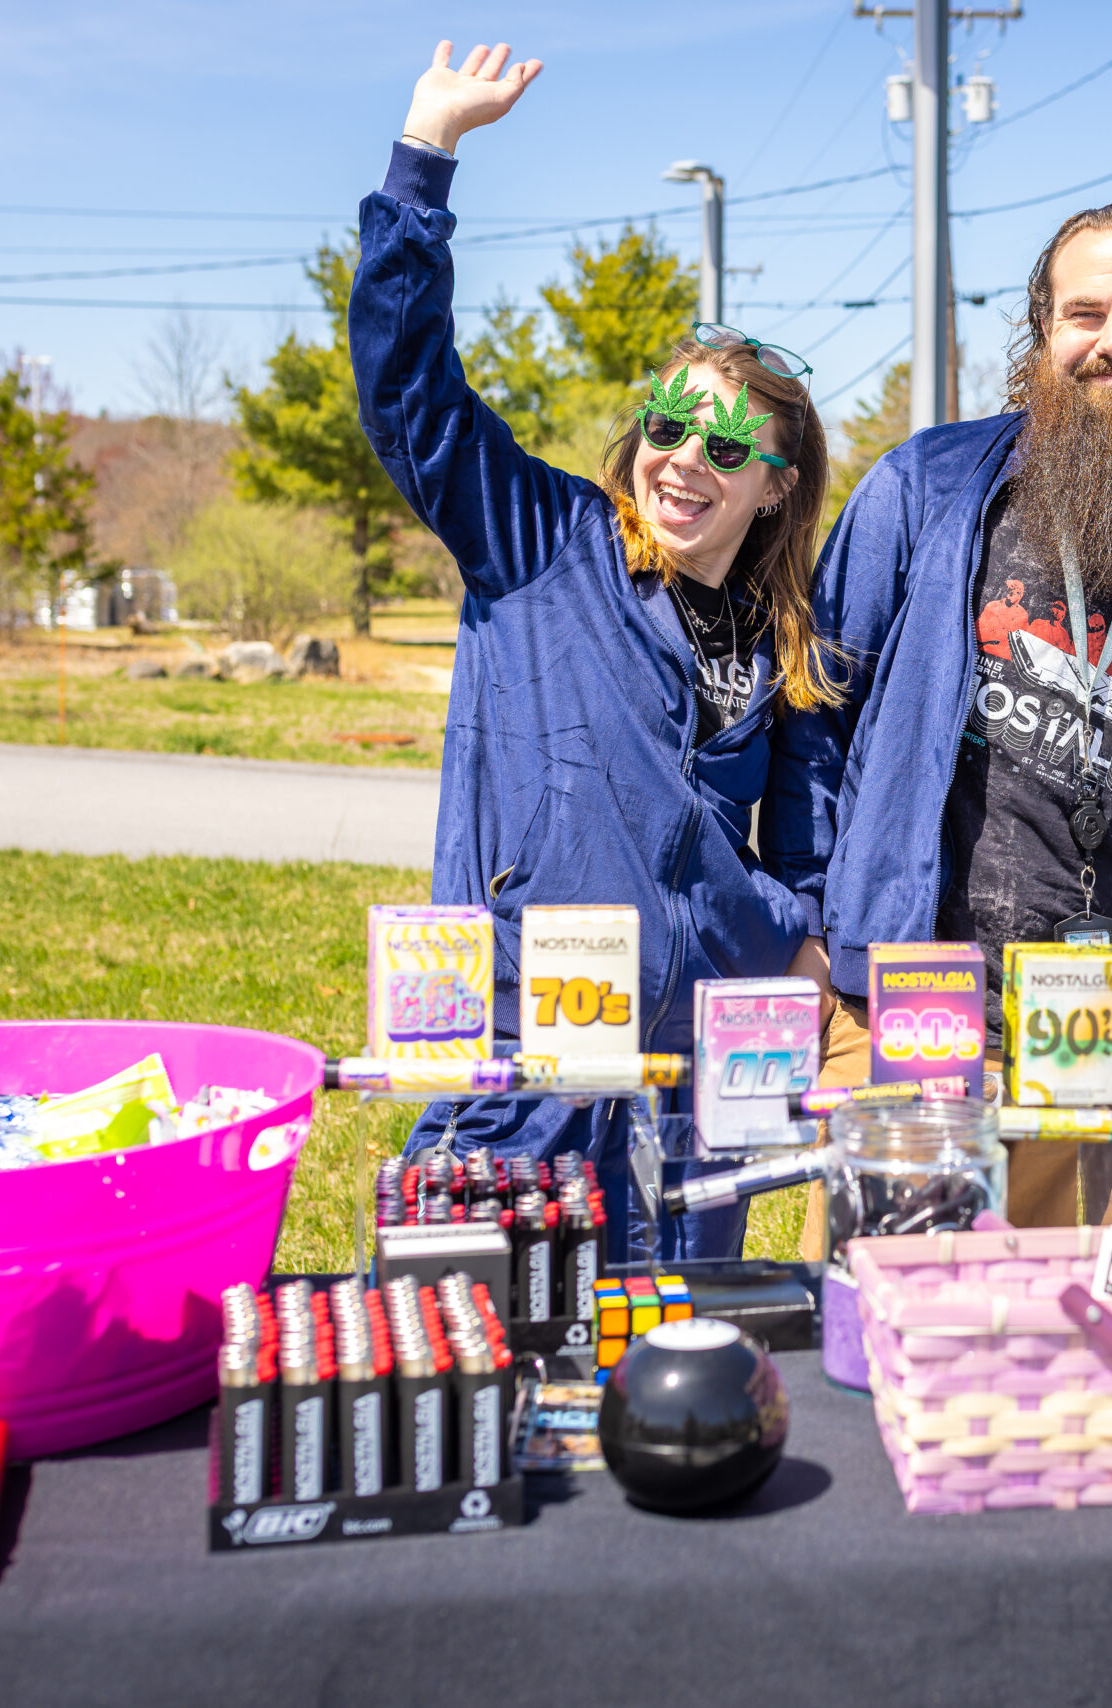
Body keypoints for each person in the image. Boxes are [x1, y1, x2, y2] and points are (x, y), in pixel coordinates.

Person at [352, 42, 834, 1258]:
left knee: (675, 1336)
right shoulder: (542, 540)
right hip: (526, 1039)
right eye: (668, 426)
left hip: (697, 1066)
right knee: (485, 1314)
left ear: (775, 486)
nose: (685, 461)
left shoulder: (783, 635)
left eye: (727, 448)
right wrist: (425, 157)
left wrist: (786, 932)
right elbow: (409, 397)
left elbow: (804, 836)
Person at [766, 200, 1112, 1233]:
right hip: (907, 1003)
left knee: (1058, 1323)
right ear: (1043, 329)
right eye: (1085, 314)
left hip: (1094, 1036)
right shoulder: (927, 488)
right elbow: (813, 718)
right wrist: (809, 921)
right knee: (875, 1307)